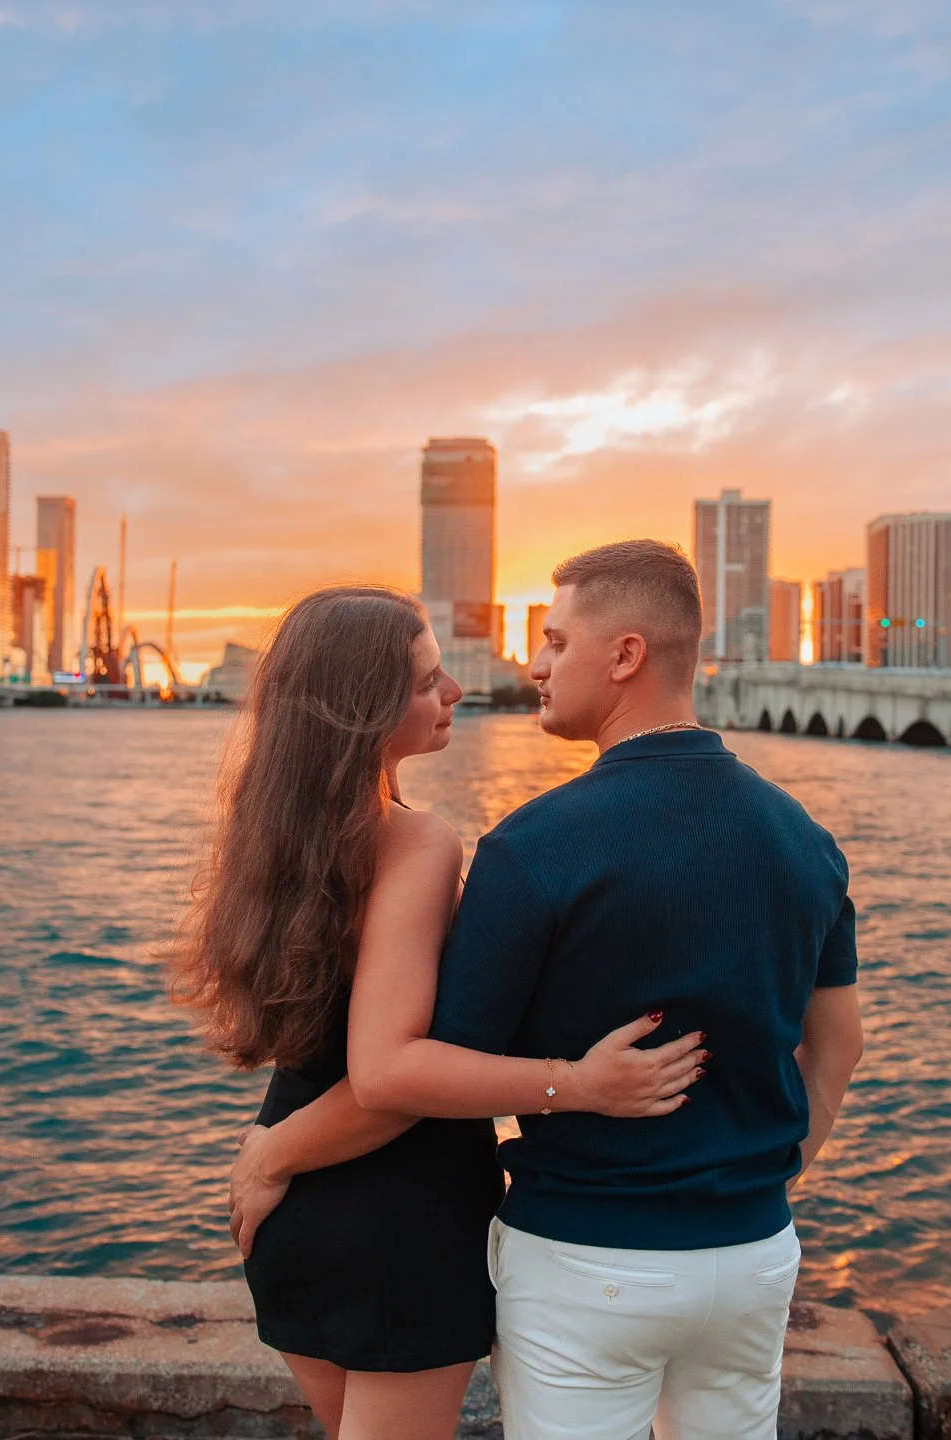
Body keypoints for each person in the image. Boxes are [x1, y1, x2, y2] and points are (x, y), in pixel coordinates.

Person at [335, 541, 865, 1439]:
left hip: (590, 1258)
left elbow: (432, 1069)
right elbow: (840, 1045)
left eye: (554, 640)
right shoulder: (806, 840)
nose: (536, 665)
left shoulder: (534, 847)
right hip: (752, 1254)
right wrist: (765, 1178)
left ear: (625, 656)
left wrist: (276, 1153)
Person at [175, 584, 706, 1440]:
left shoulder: (270, 839)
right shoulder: (414, 840)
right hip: (400, 1218)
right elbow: (387, 1078)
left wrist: (272, 1154)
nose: (455, 691)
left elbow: (328, 1053)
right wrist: (577, 1083)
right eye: (428, 681)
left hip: (294, 1220)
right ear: (364, 708)